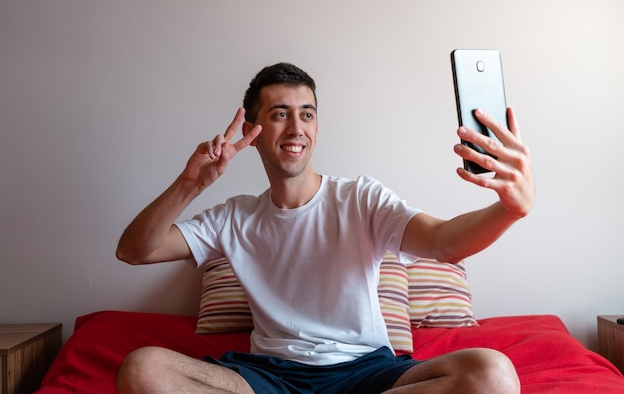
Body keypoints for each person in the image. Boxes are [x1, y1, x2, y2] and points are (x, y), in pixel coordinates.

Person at [115, 62, 533, 394]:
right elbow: (136, 251)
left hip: (366, 373)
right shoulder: (233, 217)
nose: (296, 128)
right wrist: (190, 185)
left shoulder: (360, 198)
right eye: (280, 114)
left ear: (316, 128)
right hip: (267, 378)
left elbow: (444, 242)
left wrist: (509, 210)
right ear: (251, 132)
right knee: (143, 368)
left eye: (307, 115)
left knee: (492, 373)